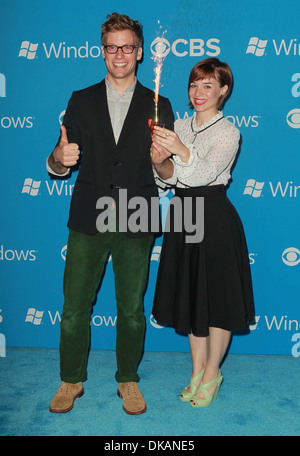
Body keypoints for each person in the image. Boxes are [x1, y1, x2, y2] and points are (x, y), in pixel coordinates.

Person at [47, 12, 174, 415]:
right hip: (89, 214)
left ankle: (128, 380)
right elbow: (59, 158)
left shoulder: (160, 103)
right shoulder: (80, 99)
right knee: (74, 306)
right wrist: (59, 158)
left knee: (132, 308)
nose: (119, 54)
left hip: (137, 213)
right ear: (102, 51)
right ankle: (71, 379)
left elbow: (168, 172)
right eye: (111, 47)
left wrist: (162, 164)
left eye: (127, 47)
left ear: (139, 53)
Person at [151, 58, 255, 408]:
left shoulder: (229, 132)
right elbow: (167, 180)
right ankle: (196, 371)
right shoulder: (178, 124)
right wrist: (159, 160)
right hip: (182, 215)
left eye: (208, 85)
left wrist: (179, 150)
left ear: (223, 91)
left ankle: (212, 374)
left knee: (219, 302)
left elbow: (203, 174)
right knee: (193, 296)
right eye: (195, 85)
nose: (199, 92)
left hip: (213, 217)